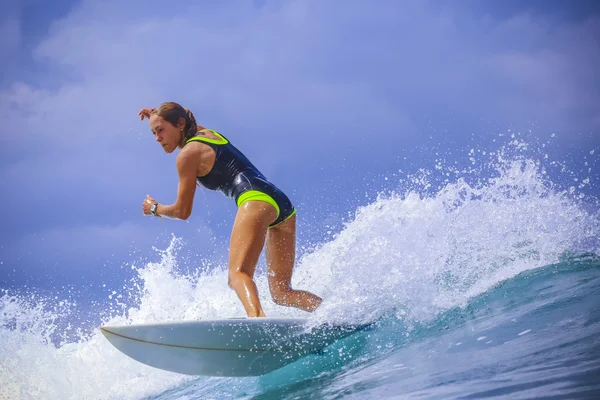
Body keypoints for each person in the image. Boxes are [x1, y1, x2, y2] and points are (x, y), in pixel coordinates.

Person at [138, 102, 322, 317]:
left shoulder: (187, 156)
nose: (157, 138)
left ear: (179, 124)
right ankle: (331, 314)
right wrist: (157, 116)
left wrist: (155, 209)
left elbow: (182, 211)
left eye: (160, 130)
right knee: (282, 293)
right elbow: (185, 125)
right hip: (280, 203)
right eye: (153, 132)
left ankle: (258, 323)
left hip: (255, 199)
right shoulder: (206, 133)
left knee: (237, 275)